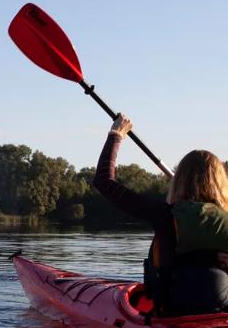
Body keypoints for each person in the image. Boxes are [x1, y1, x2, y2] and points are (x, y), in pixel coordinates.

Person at [93, 114, 228, 315]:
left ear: (179, 180)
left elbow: (104, 181)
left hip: (173, 312)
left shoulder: (164, 214)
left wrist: (116, 134)